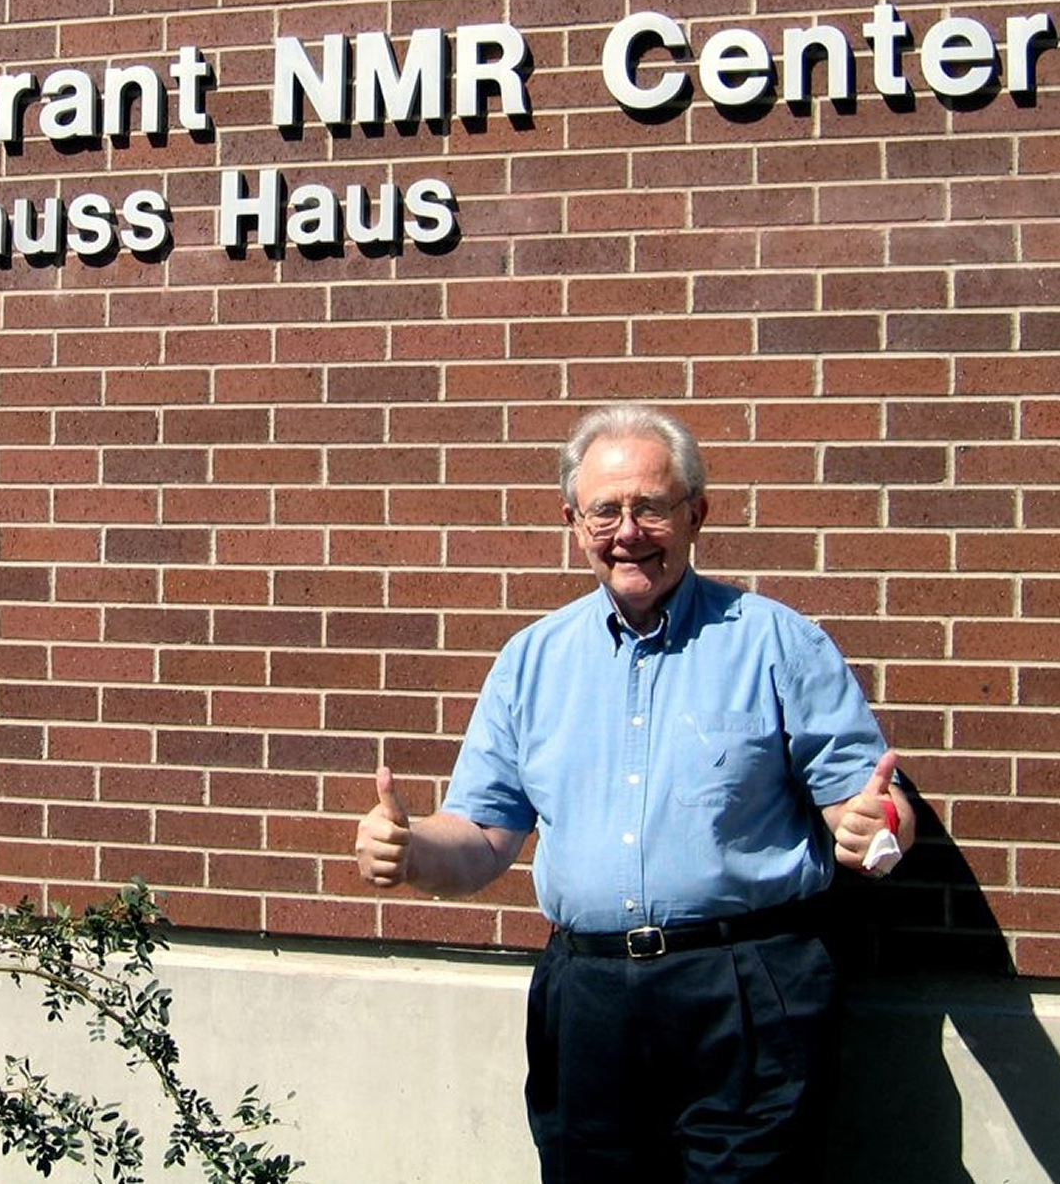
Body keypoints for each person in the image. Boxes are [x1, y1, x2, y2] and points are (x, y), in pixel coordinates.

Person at [355, 402, 914, 1184]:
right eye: (605, 511)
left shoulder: (776, 642)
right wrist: (411, 851)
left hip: (747, 992)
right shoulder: (532, 662)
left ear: (695, 515)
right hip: (588, 1001)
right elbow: (482, 838)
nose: (629, 531)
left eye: (651, 506)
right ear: (573, 522)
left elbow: (870, 804)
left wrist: (877, 827)